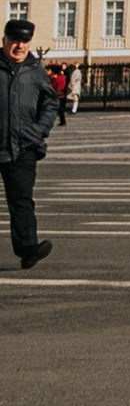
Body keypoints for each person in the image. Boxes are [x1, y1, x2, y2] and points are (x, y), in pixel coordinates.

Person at [0, 15, 59, 268]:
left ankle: (28, 250)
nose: (20, 45)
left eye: (25, 41)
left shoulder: (35, 72)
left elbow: (50, 103)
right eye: (15, 40)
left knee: (22, 201)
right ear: (4, 40)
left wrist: (39, 131)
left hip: (23, 148)